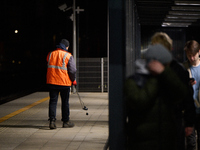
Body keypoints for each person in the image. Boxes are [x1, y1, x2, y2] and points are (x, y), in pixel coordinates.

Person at [46, 39, 77, 129]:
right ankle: (66, 121)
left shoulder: (50, 54)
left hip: (52, 82)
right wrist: (73, 79)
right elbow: (72, 70)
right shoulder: (68, 55)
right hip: (64, 83)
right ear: (66, 46)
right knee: (65, 102)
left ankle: (52, 121)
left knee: (53, 102)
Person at [183, 40, 200, 150]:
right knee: (191, 143)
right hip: (189, 111)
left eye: (193, 55)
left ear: (199, 52)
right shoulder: (183, 68)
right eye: (189, 56)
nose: (191, 58)